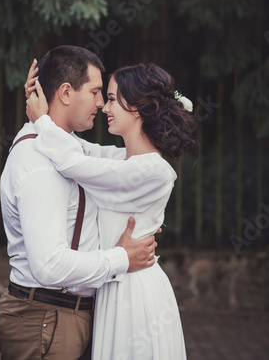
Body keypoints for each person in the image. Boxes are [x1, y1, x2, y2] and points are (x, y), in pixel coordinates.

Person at [0, 46, 161, 360]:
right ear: (66, 92)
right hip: (45, 320)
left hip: (62, 318)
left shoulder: (65, 148)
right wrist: (122, 258)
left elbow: (129, 162)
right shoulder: (40, 163)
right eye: (97, 91)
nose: (101, 102)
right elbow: (50, 265)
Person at [26, 61, 197, 360]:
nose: (104, 106)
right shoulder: (119, 160)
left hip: (136, 292)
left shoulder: (154, 170)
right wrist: (44, 104)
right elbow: (72, 147)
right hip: (113, 284)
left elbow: (72, 162)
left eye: (114, 98)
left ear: (142, 107)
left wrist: (41, 121)